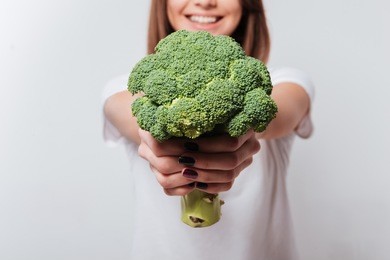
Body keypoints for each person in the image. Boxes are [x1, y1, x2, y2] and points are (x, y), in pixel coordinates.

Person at [102, 0, 314, 259]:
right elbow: (126, 111)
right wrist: (160, 136)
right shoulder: (126, 87)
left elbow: (281, 110)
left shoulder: (284, 81)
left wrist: (241, 125)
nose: (205, 1)